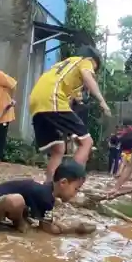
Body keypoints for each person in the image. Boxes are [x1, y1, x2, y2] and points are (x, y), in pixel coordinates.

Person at [28, 47, 111, 182]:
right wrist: (102, 101)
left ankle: (48, 188)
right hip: (52, 98)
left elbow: (71, 102)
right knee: (87, 142)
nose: (93, 72)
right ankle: (72, 183)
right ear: (91, 60)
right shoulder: (84, 62)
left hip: (36, 102)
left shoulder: (63, 66)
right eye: (95, 69)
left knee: (58, 149)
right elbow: (87, 75)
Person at [0, 160, 96, 235]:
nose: (76, 193)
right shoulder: (46, 196)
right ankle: (19, 224)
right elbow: (48, 229)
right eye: (76, 189)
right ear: (63, 183)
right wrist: (75, 229)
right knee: (16, 200)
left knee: (22, 203)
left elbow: (46, 221)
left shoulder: (47, 191)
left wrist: (58, 224)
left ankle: (19, 221)